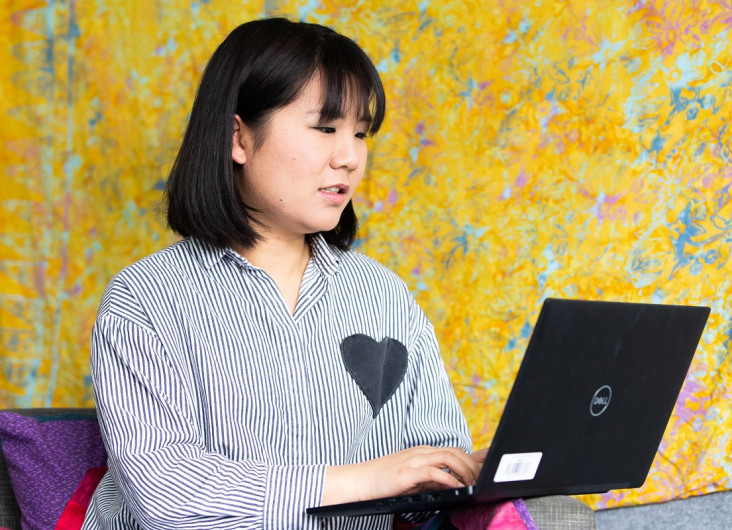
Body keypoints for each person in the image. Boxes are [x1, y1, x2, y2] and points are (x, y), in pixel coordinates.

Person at [83, 17, 484, 529]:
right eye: (325, 128)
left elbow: (434, 462)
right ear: (238, 139)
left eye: (360, 134)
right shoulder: (145, 300)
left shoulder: (383, 296)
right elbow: (167, 497)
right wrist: (363, 480)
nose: (349, 158)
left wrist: (471, 470)